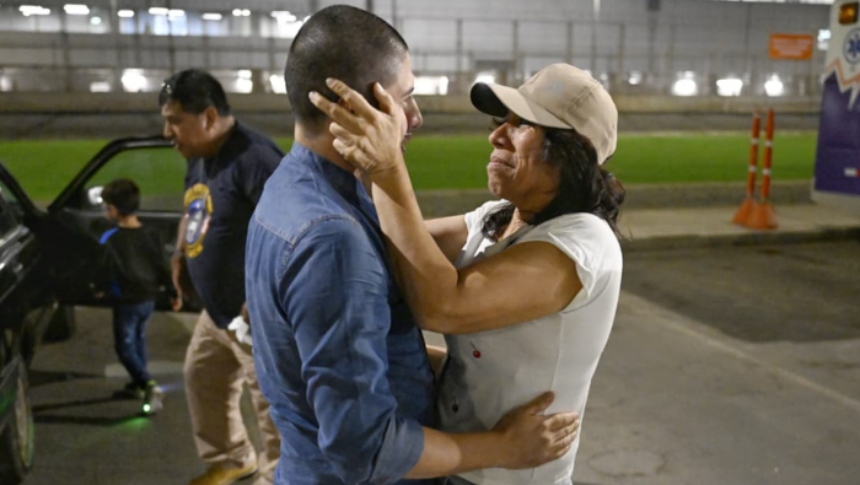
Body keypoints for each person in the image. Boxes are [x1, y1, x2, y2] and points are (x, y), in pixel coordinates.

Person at [245, 6, 579, 485]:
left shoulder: (292, 186)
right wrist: (502, 448)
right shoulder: (333, 238)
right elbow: (365, 449)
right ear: (356, 108)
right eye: (406, 99)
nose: (416, 116)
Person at [311, 62, 624, 484]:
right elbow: (391, 248)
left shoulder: (583, 243)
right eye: (503, 121)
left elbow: (442, 306)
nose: (496, 135)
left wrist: (387, 169)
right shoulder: (500, 216)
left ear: (572, 153)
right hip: (458, 464)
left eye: (522, 125)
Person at [160, 69, 283, 485]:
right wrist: (182, 254)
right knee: (203, 378)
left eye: (175, 121)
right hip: (217, 313)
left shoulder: (256, 159)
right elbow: (194, 207)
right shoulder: (198, 156)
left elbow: (291, 232)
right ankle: (232, 458)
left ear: (209, 116)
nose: (167, 132)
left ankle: (280, 477)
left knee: (274, 406)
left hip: (256, 316)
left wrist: (261, 296)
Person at [95, 178, 178, 415]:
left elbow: (106, 269)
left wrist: (100, 288)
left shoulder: (110, 238)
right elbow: (163, 266)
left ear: (113, 209)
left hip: (126, 300)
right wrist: (173, 292)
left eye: (107, 207)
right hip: (148, 299)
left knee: (124, 347)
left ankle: (147, 384)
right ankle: (137, 383)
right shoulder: (151, 234)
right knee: (139, 337)